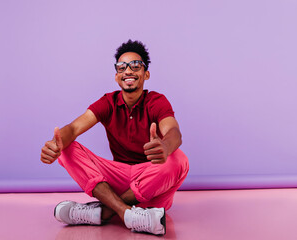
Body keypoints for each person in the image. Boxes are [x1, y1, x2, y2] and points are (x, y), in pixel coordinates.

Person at [40, 40, 189, 235]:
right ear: (117, 76)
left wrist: (166, 146)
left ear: (146, 74)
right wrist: (54, 144)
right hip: (118, 179)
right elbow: (75, 127)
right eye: (122, 66)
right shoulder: (108, 102)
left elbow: (174, 132)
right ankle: (127, 213)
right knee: (65, 147)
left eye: (136, 65)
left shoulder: (156, 101)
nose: (128, 70)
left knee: (179, 159)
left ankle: (102, 211)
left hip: (152, 183)